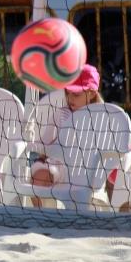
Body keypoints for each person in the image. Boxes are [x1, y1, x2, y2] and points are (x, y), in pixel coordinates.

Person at [28, 64, 103, 207]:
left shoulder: (102, 116)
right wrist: (45, 154)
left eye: (76, 94)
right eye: (67, 93)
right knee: (39, 177)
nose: (70, 98)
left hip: (88, 170)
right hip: (59, 166)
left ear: (92, 93)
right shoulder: (61, 114)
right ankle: (39, 215)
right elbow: (45, 144)